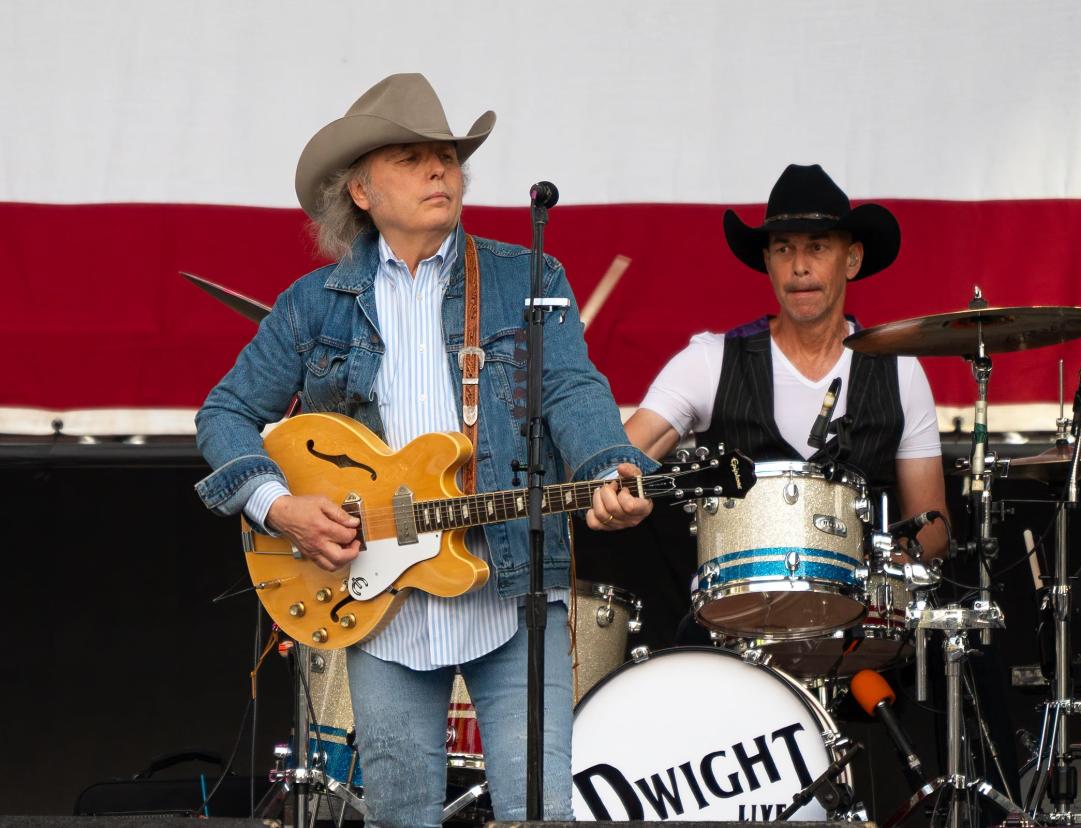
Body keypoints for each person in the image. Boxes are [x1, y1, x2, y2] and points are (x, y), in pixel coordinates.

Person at [193, 73, 652, 828]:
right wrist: (280, 507)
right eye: (410, 158)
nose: (439, 169)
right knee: (400, 818)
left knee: (541, 815)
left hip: (513, 590)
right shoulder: (316, 303)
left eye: (445, 155)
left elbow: (572, 390)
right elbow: (225, 414)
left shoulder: (528, 278)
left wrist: (610, 466)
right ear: (363, 193)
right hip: (382, 603)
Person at [624, 163, 948, 557]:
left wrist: (871, 571)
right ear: (768, 261)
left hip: (863, 613)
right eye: (783, 248)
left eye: (817, 246)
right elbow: (619, 463)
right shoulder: (709, 362)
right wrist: (608, 486)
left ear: (852, 259)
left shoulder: (900, 371)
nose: (799, 266)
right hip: (735, 614)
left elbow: (932, 529)